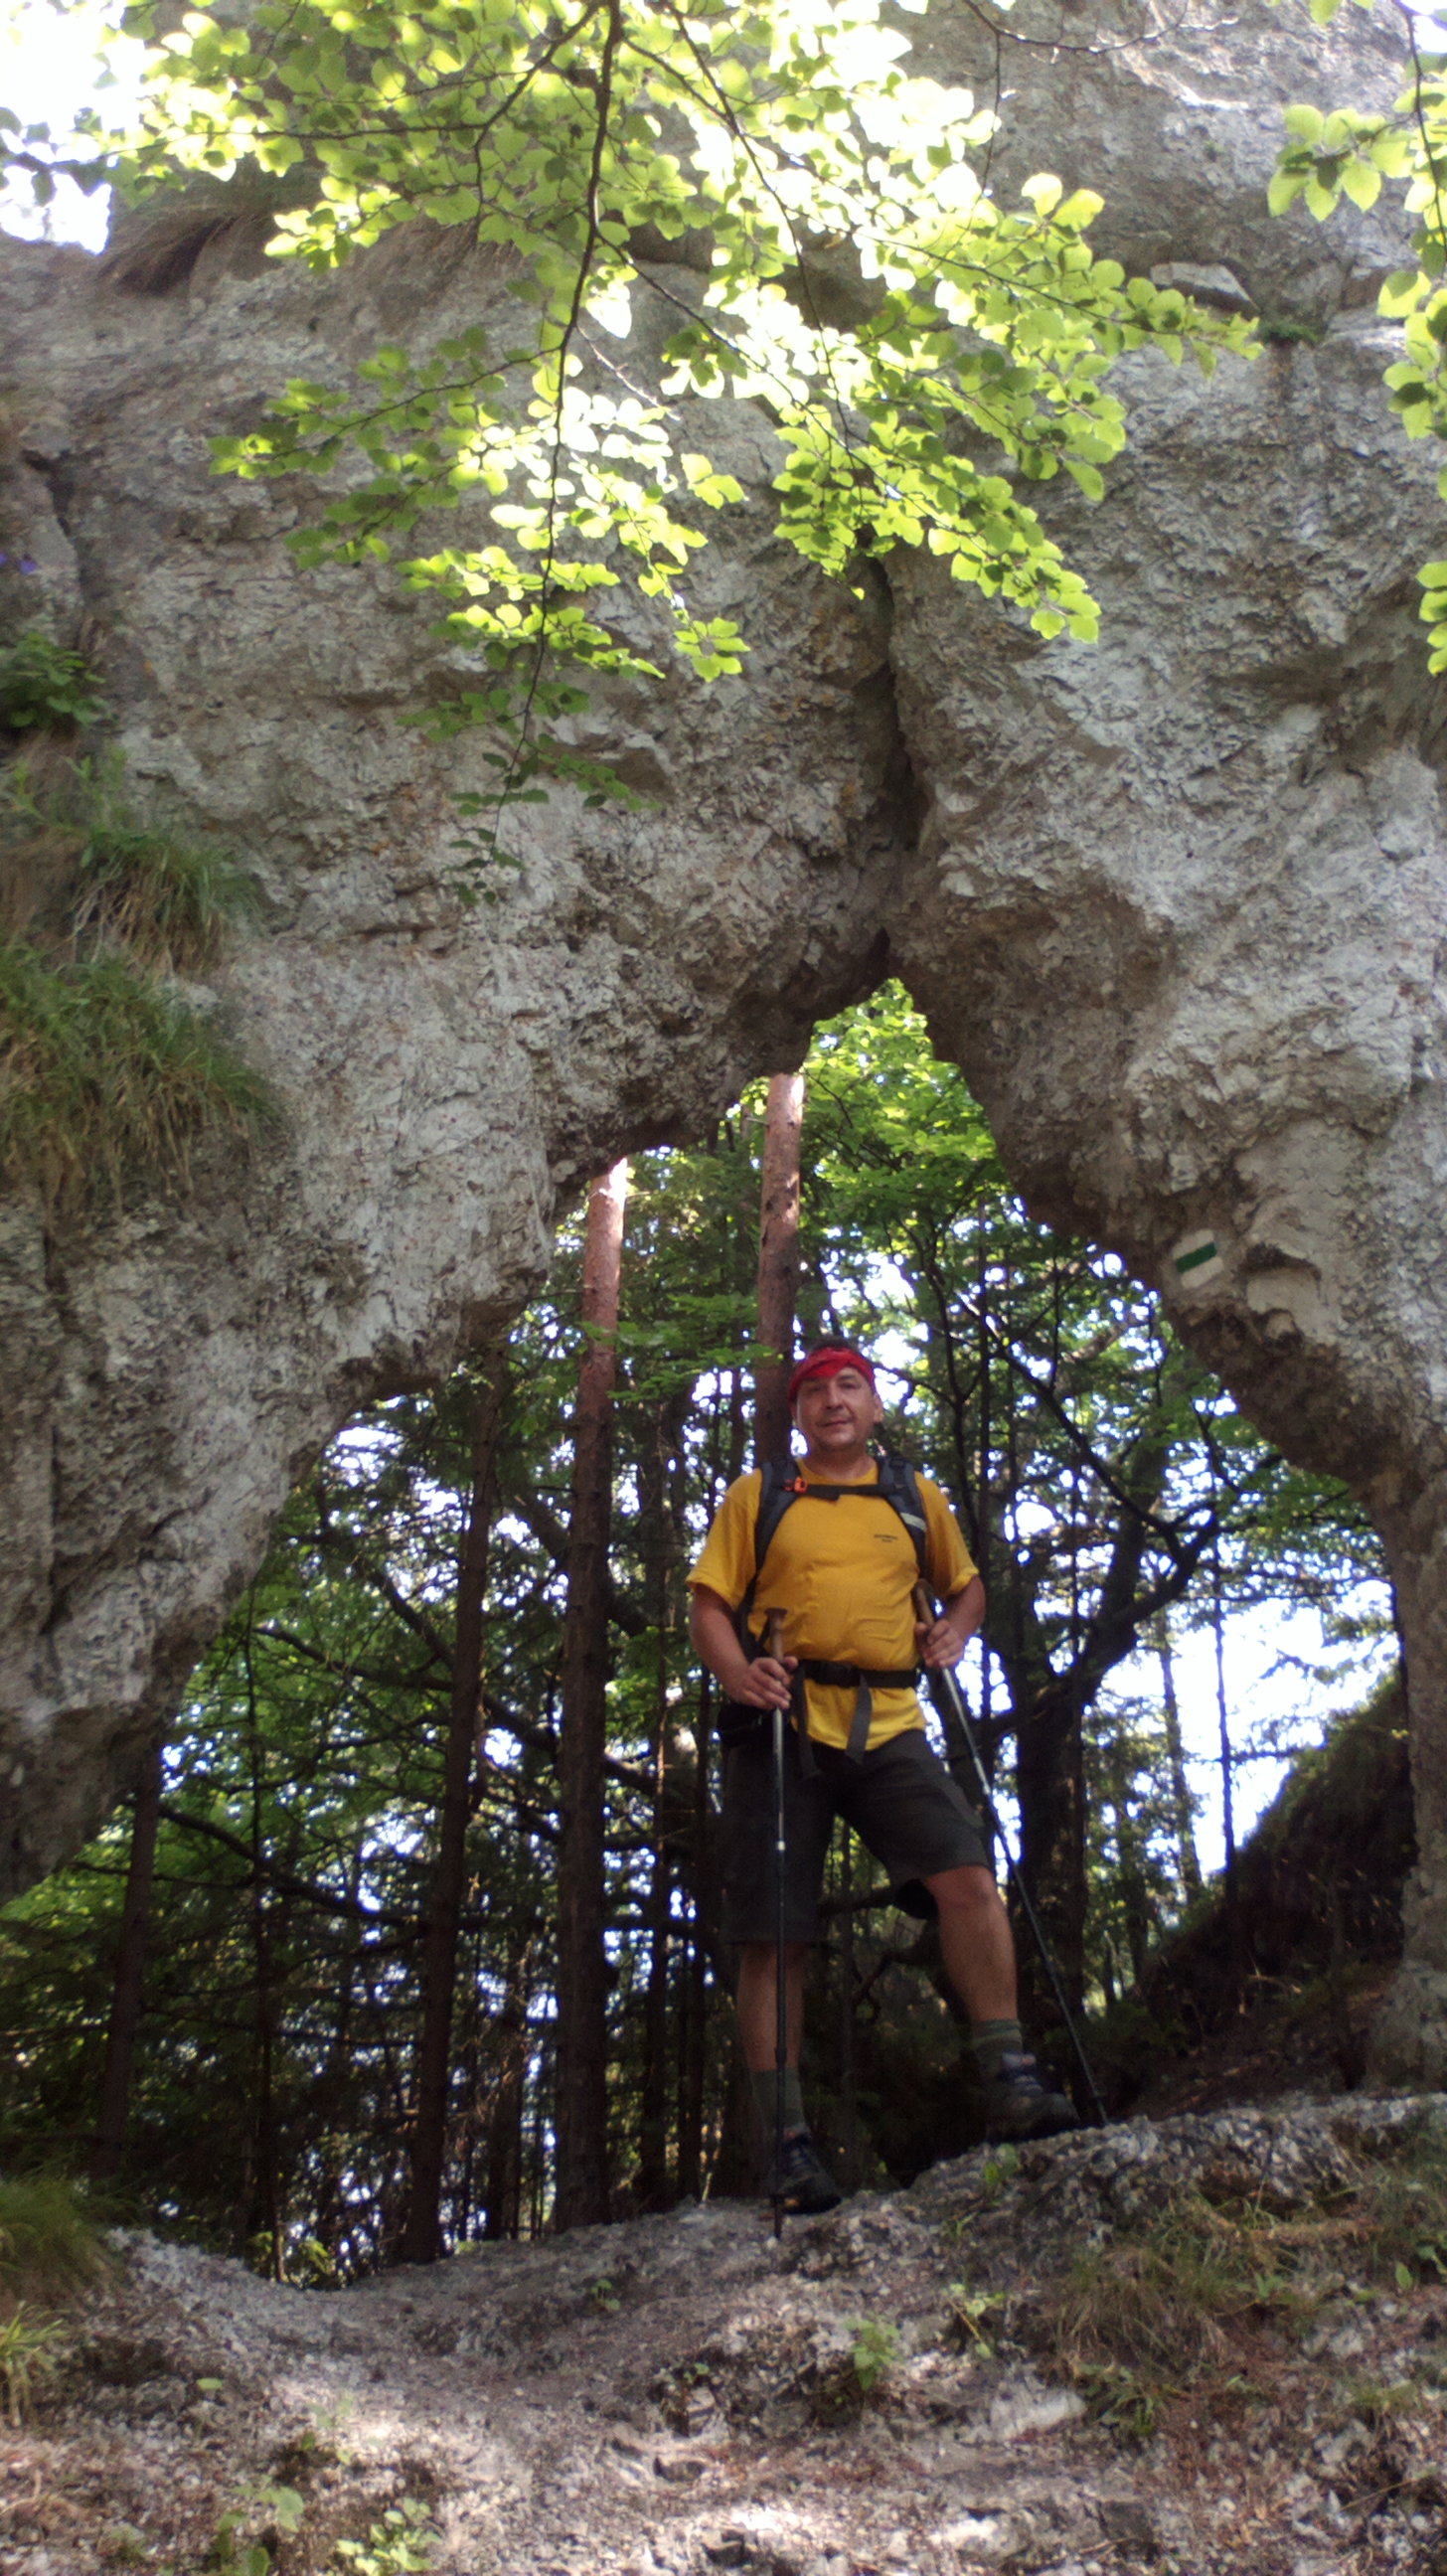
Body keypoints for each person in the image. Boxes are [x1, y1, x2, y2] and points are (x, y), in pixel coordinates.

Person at [688, 1340, 1077, 2214]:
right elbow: (709, 1605)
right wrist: (737, 1674)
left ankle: (1011, 2076)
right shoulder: (759, 1496)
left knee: (968, 1876)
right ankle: (786, 2142)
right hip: (782, 1723)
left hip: (892, 1721)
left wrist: (957, 1629)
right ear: (797, 1414)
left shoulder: (912, 1495)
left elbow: (965, 1586)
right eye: (815, 1392)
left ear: (874, 1405)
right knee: (774, 1933)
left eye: (849, 1387)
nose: (833, 1402)